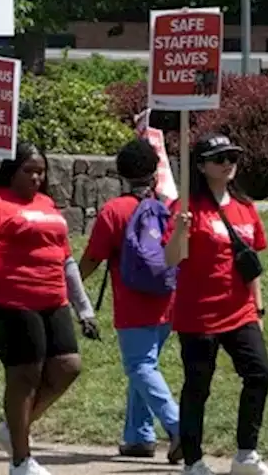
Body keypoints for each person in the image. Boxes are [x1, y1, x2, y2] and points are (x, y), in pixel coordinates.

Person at [0, 142, 98, 475]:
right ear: (11, 171)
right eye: (28, 170)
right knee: (26, 374)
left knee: (67, 366)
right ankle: (21, 460)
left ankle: (12, 429)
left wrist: (85, 310)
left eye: (40, 171)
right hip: (6, 299)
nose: (36, 177)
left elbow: (67, 260)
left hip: (52, 297)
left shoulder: (47, 204)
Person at [165, 134, 268, 475]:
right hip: (198, 313)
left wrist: (257, 309)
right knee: (198, 386)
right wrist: (179, 234)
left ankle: (246, 455)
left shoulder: (245, 207)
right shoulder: (185, 208)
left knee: (260, 372)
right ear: (201, 166)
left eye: (232, 156)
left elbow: (251, 261)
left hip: (240, 310)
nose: (228, 163)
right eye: (219, 158)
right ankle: (193, 461)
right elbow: (170, 260)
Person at [79, 138, 182, 462]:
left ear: (121, 173)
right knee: (145, 365)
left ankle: (180, 427)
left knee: (140, 366)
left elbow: (94, 257)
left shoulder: (114, 211)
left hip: (133, 305)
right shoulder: (163, 208)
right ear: (154, 173)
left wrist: (70, 285)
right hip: (167, 300)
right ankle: (138, 436)